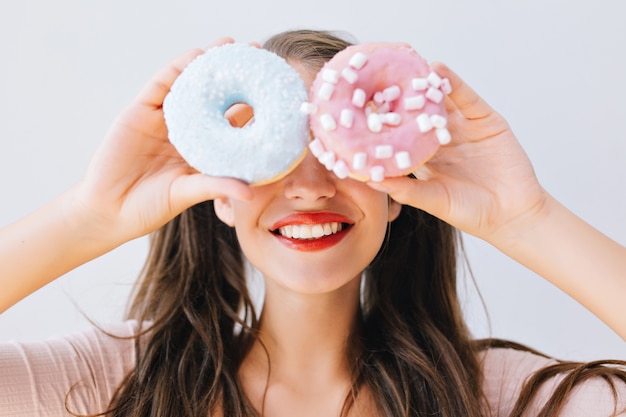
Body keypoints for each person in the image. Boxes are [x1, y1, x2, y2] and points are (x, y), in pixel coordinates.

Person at [1, 29, 625, 417]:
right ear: (217, 191)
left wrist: (526, 218)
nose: (308, 185)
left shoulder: (498, 399)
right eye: (277, 154)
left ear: (399, 186)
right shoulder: (117, 383)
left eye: (336, 151)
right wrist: (89, 215)